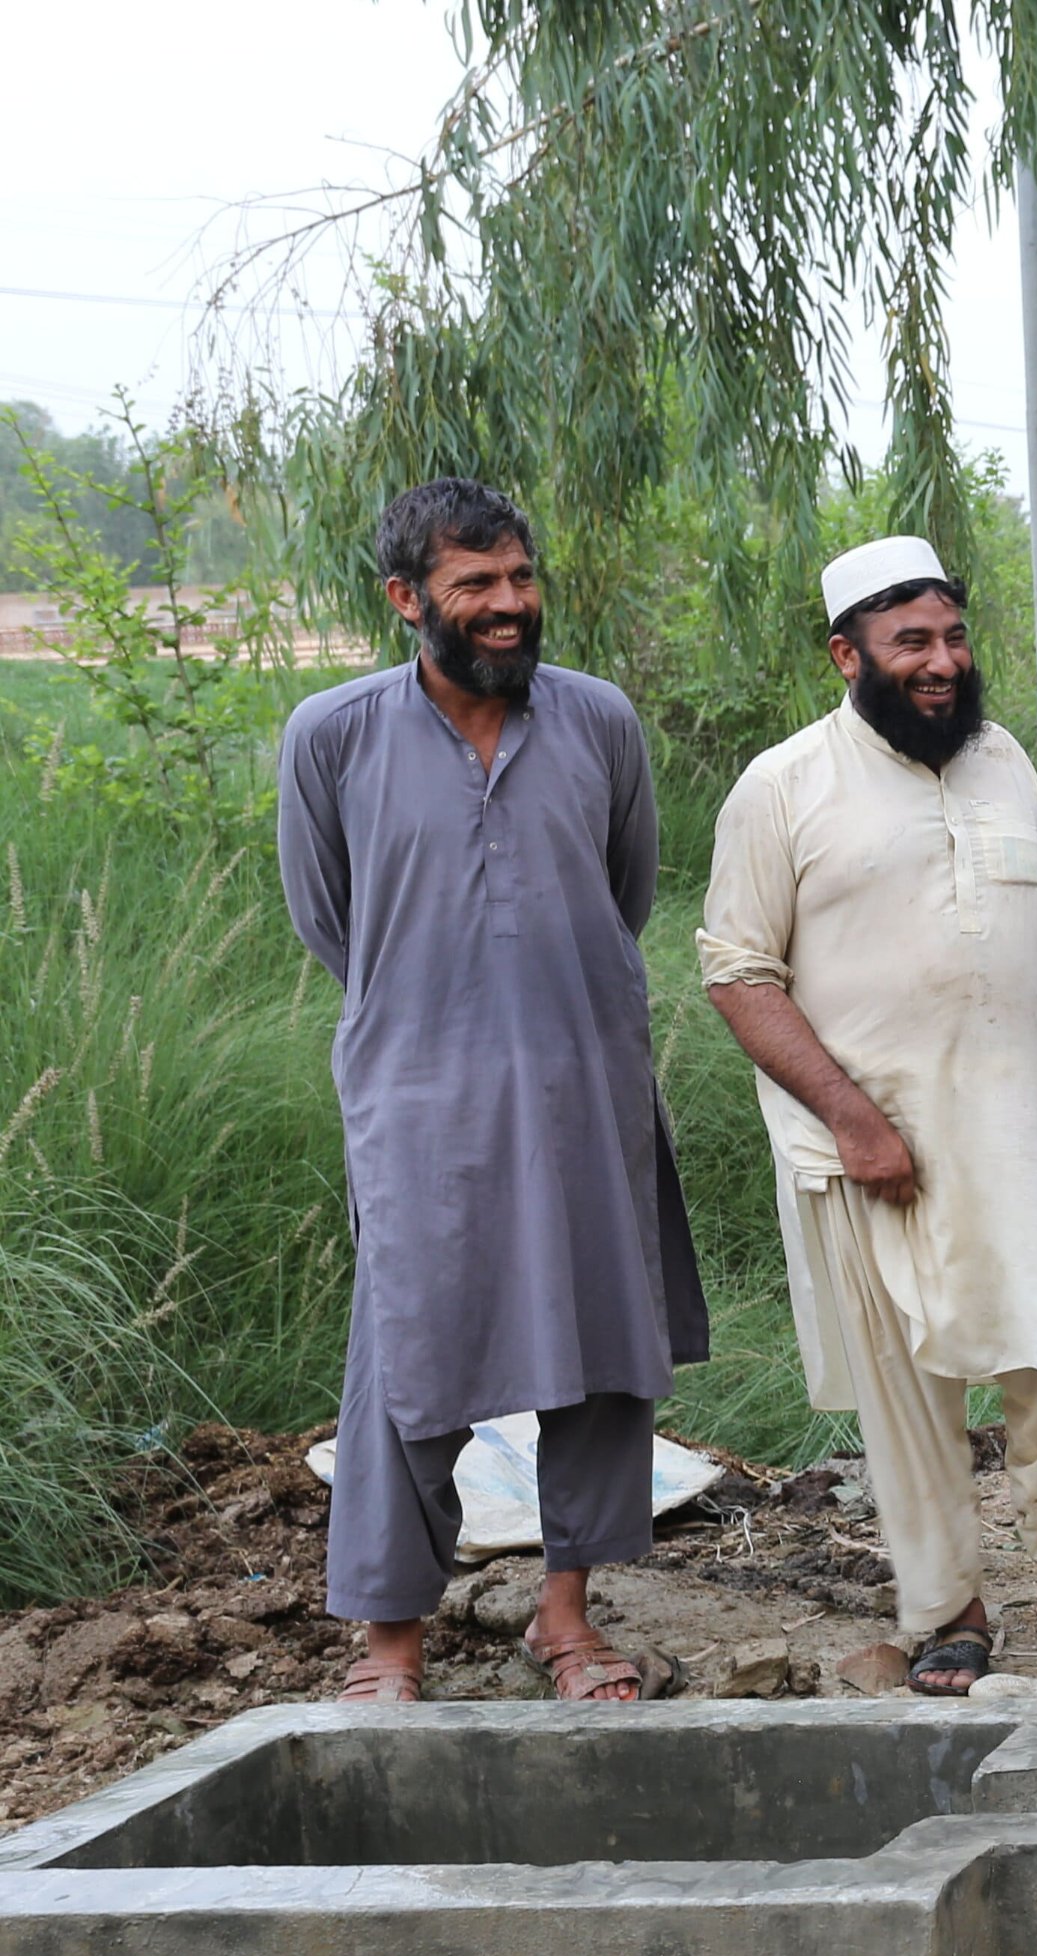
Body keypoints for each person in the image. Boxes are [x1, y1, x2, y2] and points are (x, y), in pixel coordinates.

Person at [278, 478, 708, 1704]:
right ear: (408, 598)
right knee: (410, 1368)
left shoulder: (598, 720)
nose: (509, 605)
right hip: (421, 1108)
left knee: (598, 1354)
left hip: (586, 1083)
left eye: (520, 577)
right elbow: (334, 925)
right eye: (476, 585)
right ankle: (389, 1649)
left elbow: (622, 896)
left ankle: (566, 1623)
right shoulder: (335, 735)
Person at [701, 535, 1037, 1697]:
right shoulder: (782, 785)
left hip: (1025, 1128)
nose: (941, 663)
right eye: (911, 644)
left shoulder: (1002, 760)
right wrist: (852, 1119)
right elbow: (740, 973)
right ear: (848, 655)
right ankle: (947, 1611)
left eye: (951, 637)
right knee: (907, 1391)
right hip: (872, 1154)